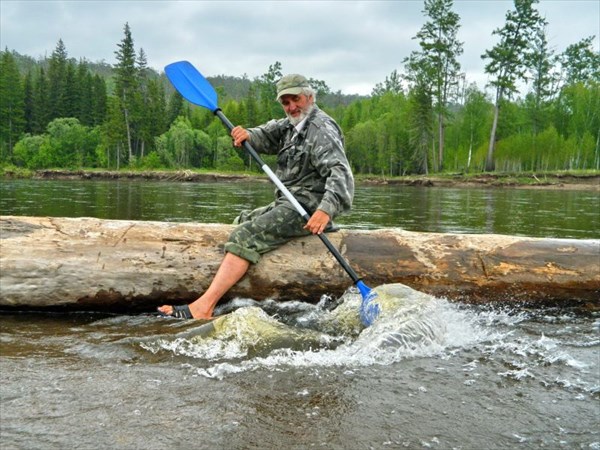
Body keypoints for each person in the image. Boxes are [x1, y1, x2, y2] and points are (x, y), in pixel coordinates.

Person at [158, 73, 354, 319]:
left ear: (310, 97)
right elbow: (266, 134)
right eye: (286, 102)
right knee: (243, 219)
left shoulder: (320, 129)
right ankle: (227, 294)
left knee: (245, 235)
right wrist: (247, 134)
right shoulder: (291, 124)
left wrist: (326, 210)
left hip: (308, 207)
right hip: (289, 202)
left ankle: (203, 307)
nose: (292, 107)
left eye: (297, 99)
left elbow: (340, 172)